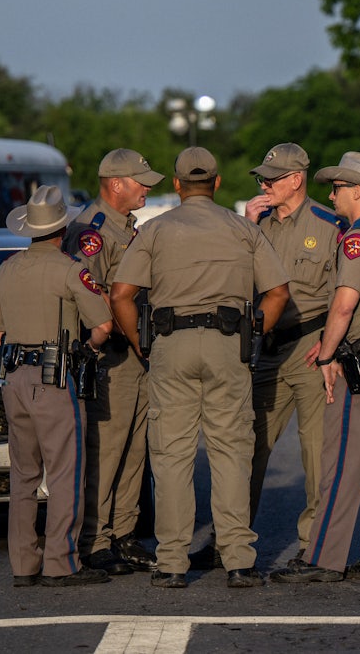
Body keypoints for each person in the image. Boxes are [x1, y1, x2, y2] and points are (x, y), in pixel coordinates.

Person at [109, 147, 290, 589]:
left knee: (171, 455)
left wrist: (142, 345)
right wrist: (254, 334)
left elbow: (120, 295)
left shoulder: (155, 230)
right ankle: (239, 560)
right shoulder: (241, 229)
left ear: (175, 185)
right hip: (229, 344)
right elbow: (279, 292)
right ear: (217, 182)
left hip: (170, 345)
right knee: (231, 452)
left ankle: (172, 562)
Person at [190, 143, 347, 571]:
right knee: (245, 447)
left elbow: (345, 293)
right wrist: (245, 226)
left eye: (271, 179)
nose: (263, 185)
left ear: (296, 179)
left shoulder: (330, 224)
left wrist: (334, 348)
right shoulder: (252, 226)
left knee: (316, 453)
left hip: (312, 347)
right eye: (261, 179)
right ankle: (228, 542)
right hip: (266, 350)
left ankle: (314, 546)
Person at [269, 151, 360, 584]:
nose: (330, 194)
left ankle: (321, 559)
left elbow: (344, 305)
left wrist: (328, 354)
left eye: (336, 187)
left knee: (342, 461)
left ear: (358, 192)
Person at [0, 185, 114, 587]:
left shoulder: (5, 270)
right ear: (62, 230)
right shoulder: (71, 270)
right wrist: (82, 351)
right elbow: (103, 327)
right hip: (54, 377)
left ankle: (24, 565)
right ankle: (61, 562)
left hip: (14, 379)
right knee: (63, 473)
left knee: (22, 475)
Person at [64, 148, 164, 576]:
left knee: (134, 447)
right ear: (116, 183)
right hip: (113, 355)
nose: (147, 188)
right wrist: (130, 334)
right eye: (140, 181)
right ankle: (95, 538)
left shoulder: (126, 228)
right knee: (105, 450)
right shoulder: (94, 230)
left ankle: (124, 533)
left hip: (138, 352)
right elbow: (93, 295)